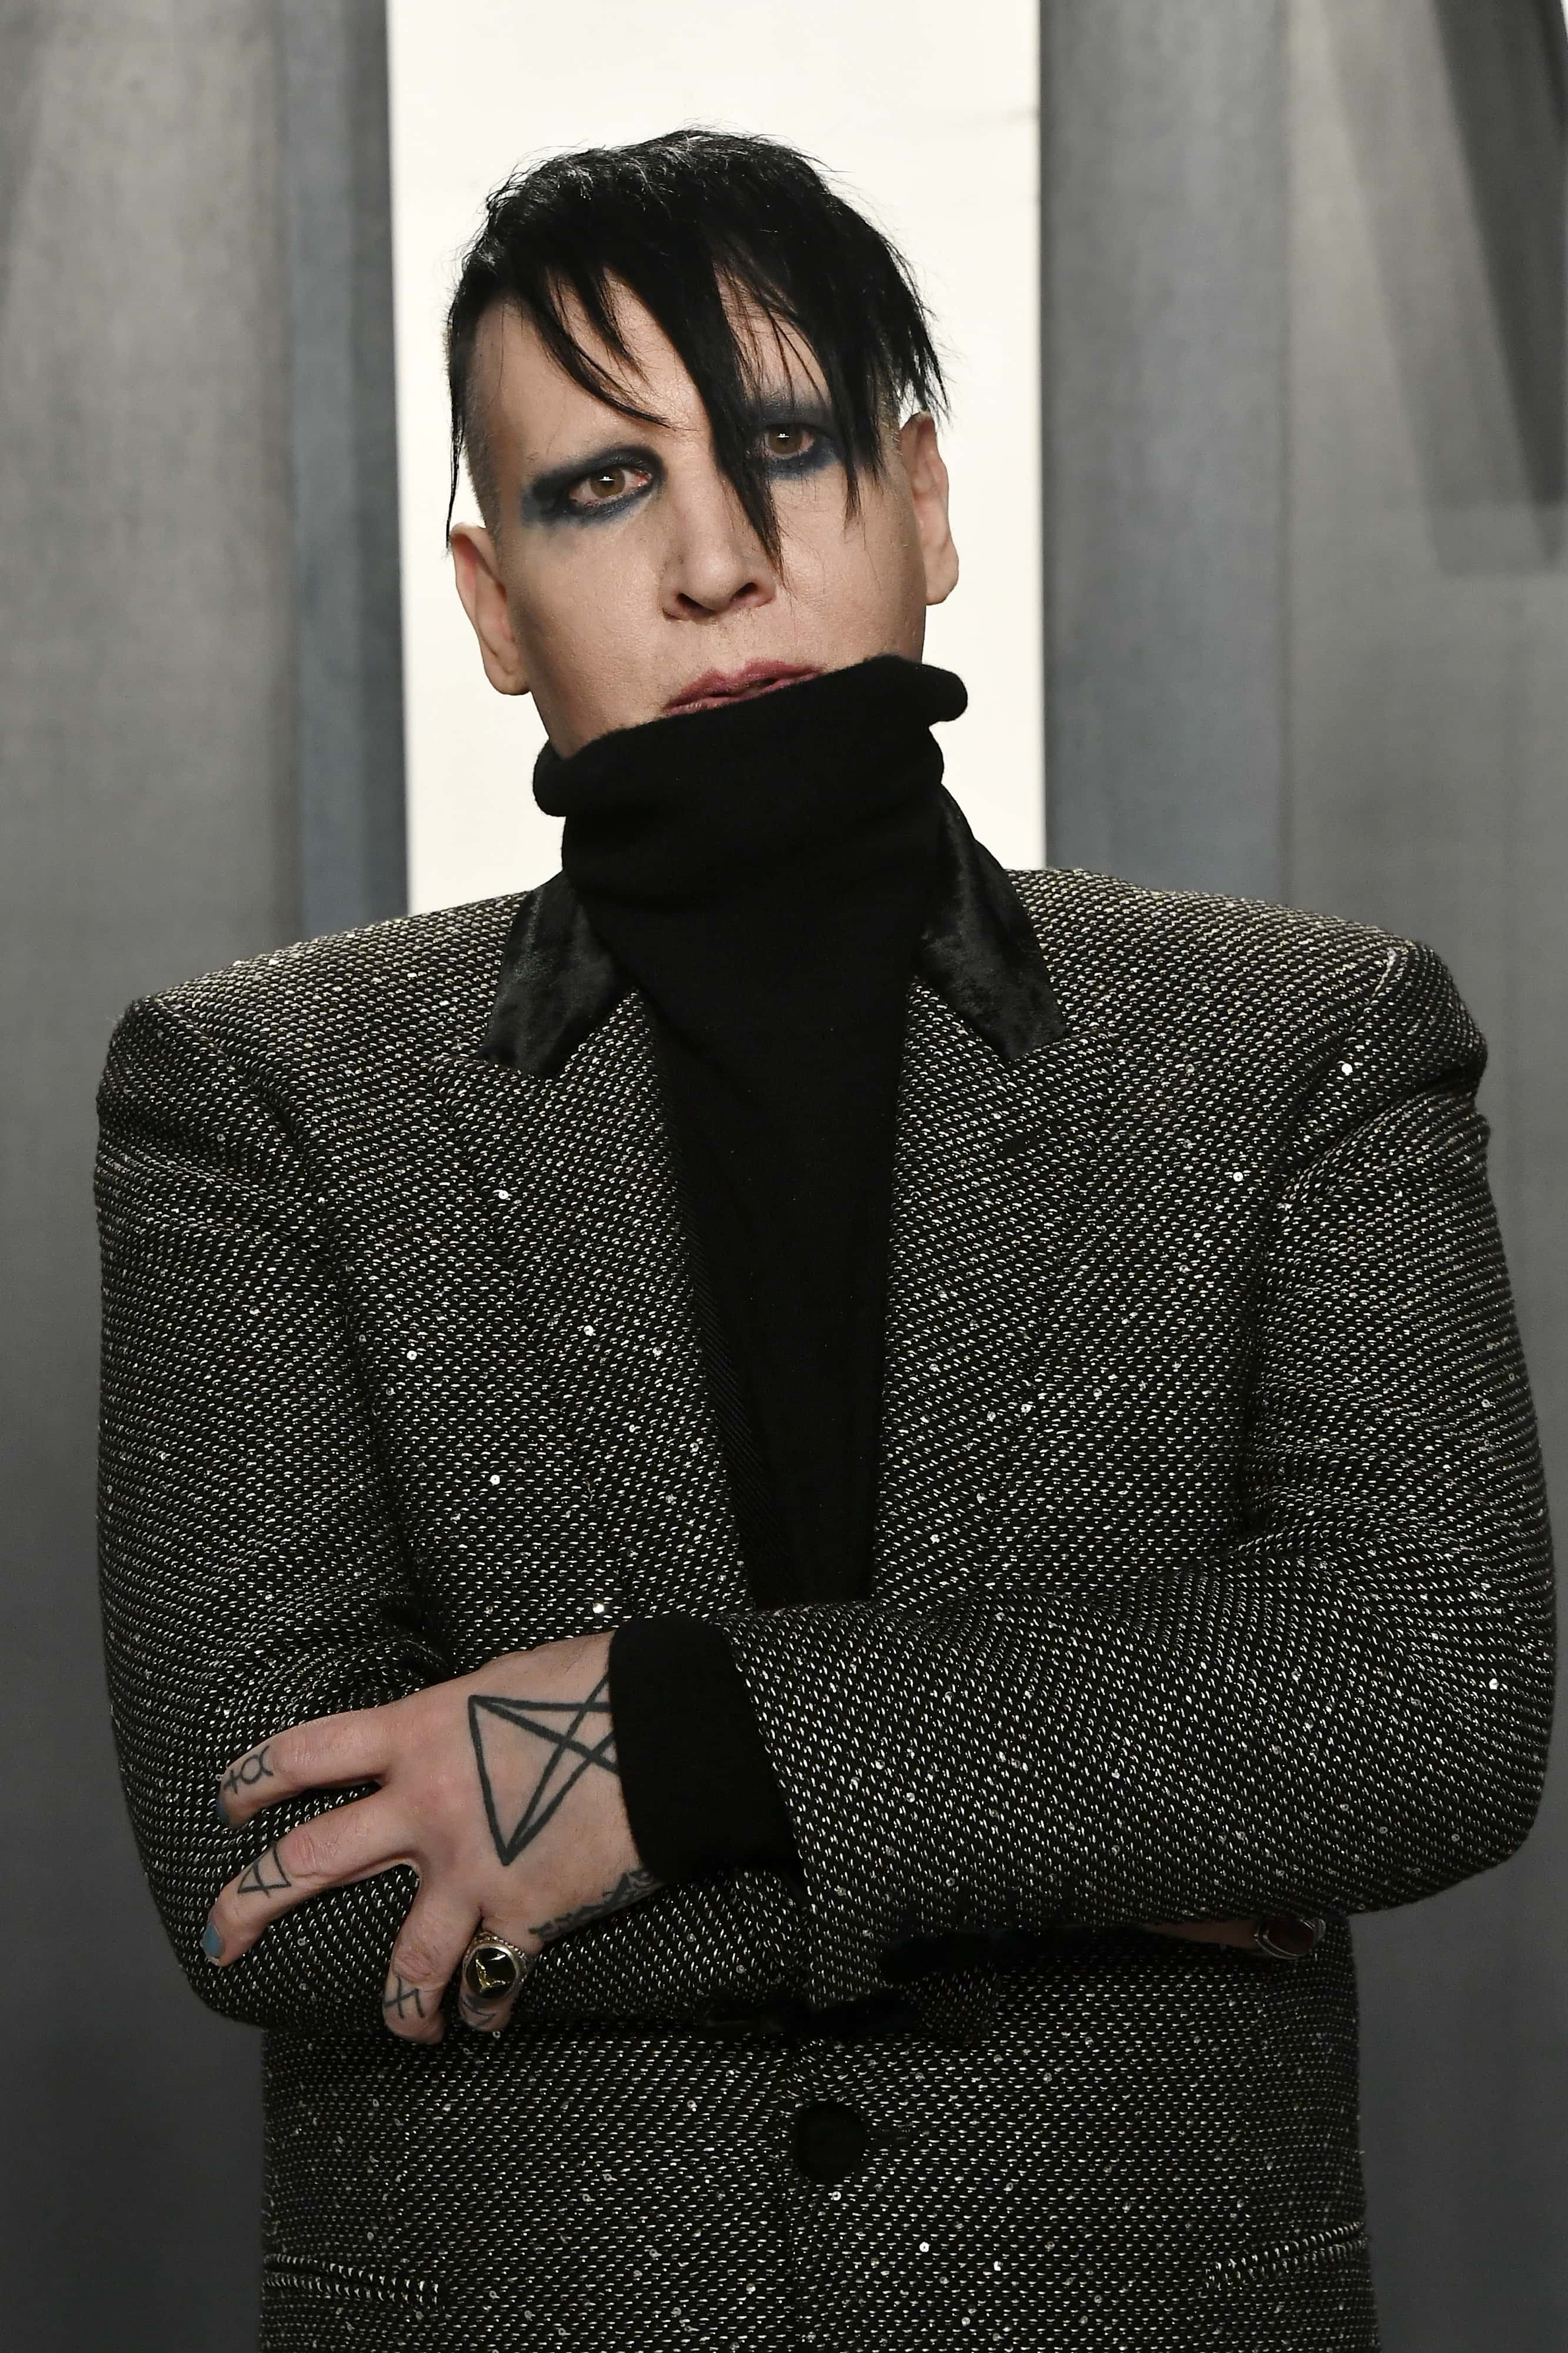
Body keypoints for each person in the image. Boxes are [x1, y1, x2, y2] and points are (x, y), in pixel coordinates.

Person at [95, 128, 1553, 2351]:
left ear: (927, 501)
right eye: (603, 485)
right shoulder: (259, 1093)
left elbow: (1428, 1703)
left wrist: (676, 1748)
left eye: (783, 447)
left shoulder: (1301, 1040)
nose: (714, 560)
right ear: (490, 600)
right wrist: (1092, 1852)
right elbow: (272, 1874)